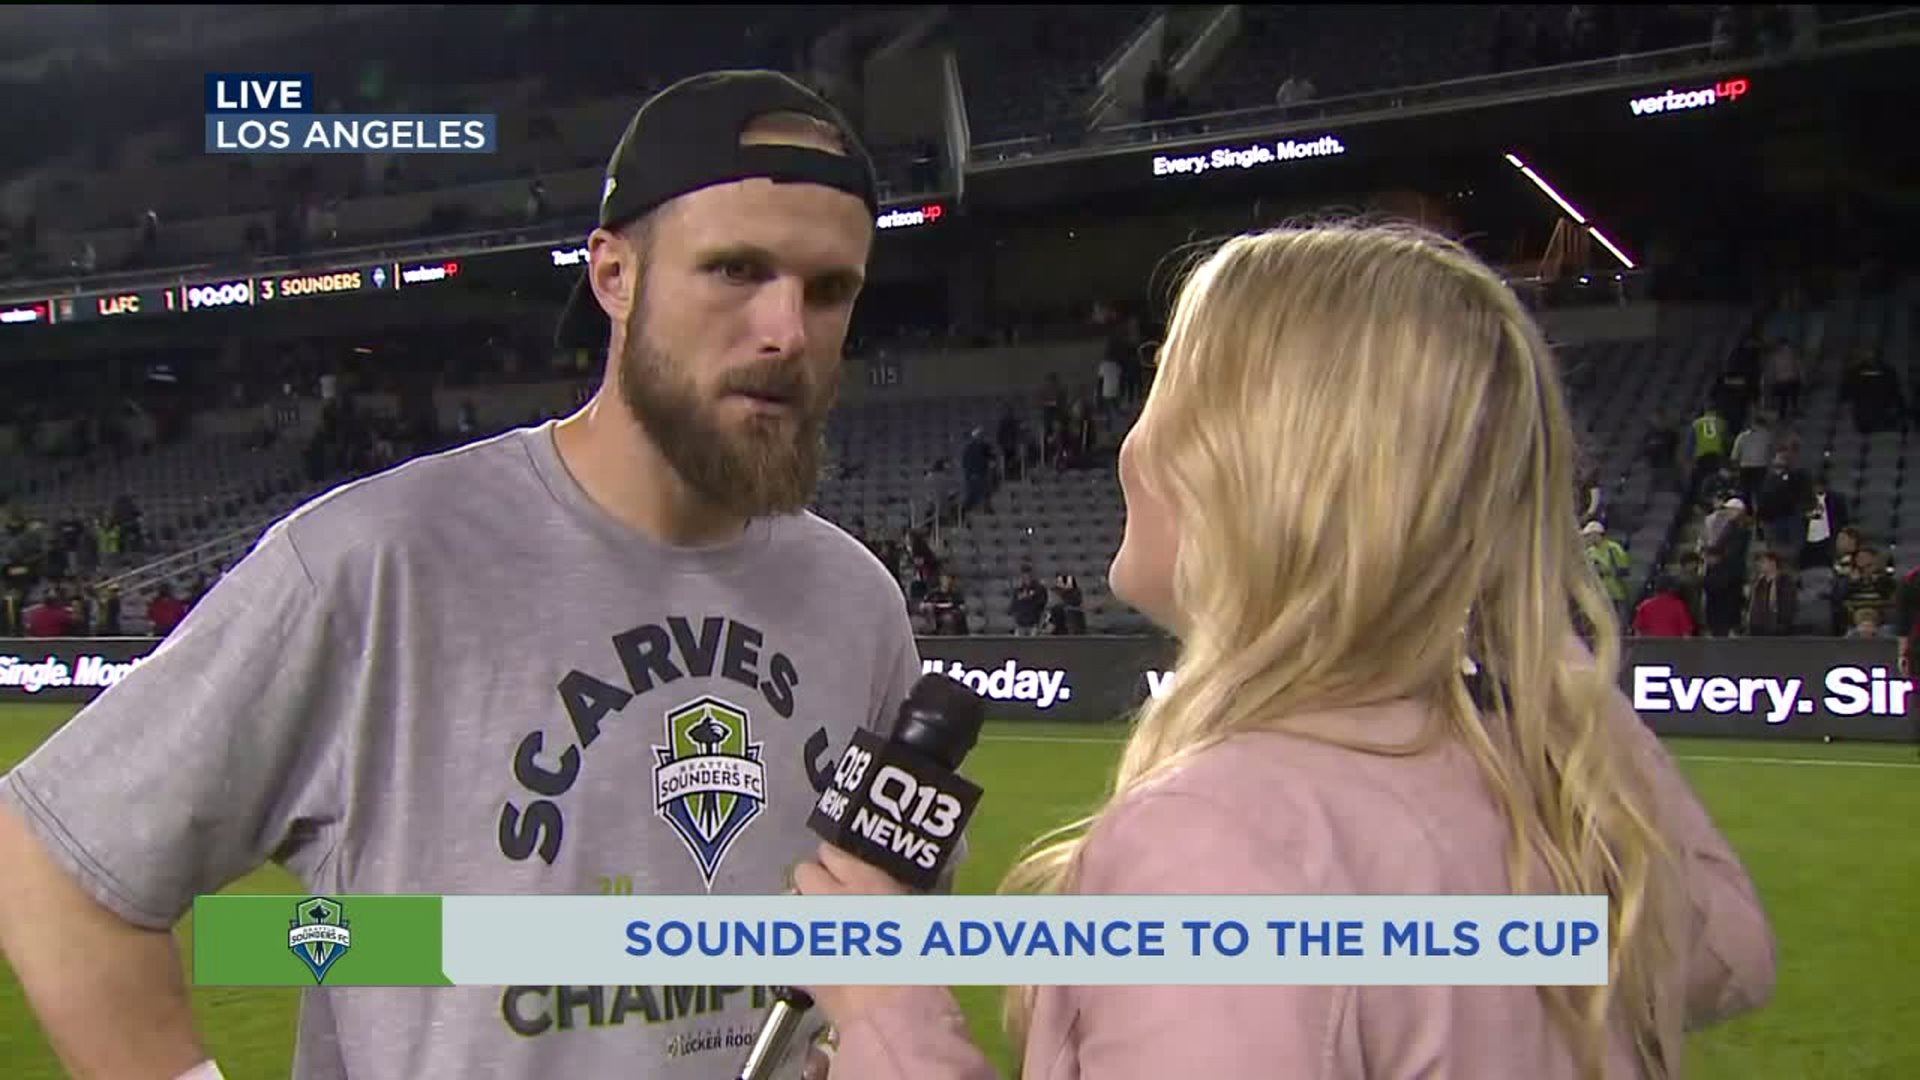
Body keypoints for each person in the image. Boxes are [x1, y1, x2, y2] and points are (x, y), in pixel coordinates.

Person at [0, 70, 936, 1080]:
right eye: (736, 270)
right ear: (615, 276)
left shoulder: (859, 604)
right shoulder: (377, 565)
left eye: (829, 290)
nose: (787, 331)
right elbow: (51, 862)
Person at [792, 223, 1774, 1078]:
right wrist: (1485, 581)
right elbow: (1728, 947)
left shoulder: (1224, 839)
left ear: (1256, 465)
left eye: (1165, 391)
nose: (1133, 445)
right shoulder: (1543, 764)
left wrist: (887, 1013)